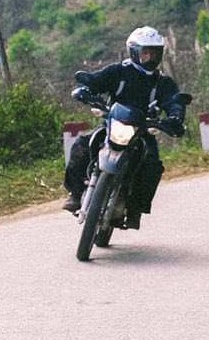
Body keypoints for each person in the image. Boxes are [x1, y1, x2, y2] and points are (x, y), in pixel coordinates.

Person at [63, 25, 188, 225]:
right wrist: (84, 89)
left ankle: (136, 209)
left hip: (143, 131)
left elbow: (174, 101)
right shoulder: (118, 71)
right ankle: (76, 193)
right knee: (83, 145)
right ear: (134, 51)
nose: (150, 58)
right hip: (112, 125)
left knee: (152, 165)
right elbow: (95, 80)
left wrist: (175, 117)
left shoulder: (162, 83)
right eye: (145, 53)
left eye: (155, 53)